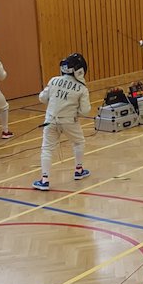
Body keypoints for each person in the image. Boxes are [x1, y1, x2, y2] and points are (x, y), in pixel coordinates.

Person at [33, 53, 91, 191]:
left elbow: (42, 98)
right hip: (70, 122)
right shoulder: (82, 88)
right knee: (79, 142)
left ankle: (44, 180)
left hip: (50, 121)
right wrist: (74, 112)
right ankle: (79, 170)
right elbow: (85, 111)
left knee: (47, 149)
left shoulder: (54, 80)